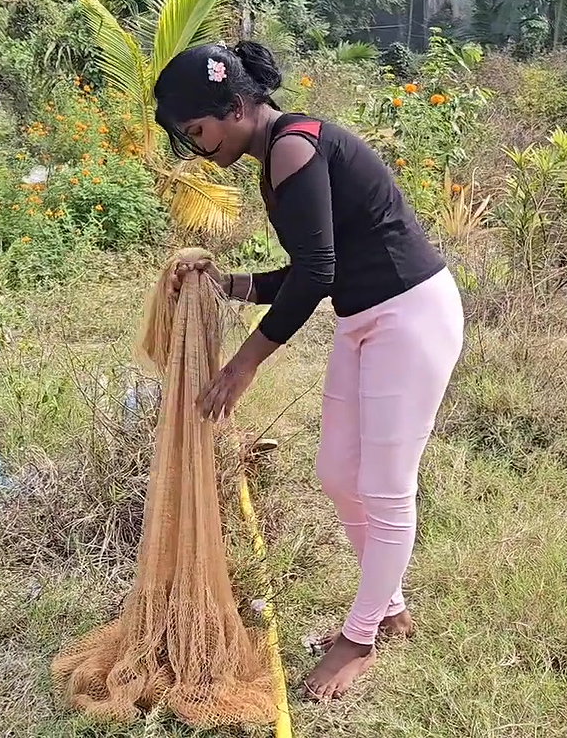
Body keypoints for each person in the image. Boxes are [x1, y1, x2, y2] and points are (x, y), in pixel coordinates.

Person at [152, 41, 465, 699]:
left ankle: (359, 639)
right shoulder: (278, 155)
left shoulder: (294, 145)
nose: (199, 147)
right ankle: (390, 608)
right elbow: (311, 268)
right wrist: (227, 286)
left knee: (384, 486)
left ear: (235, 108)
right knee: (336, 472)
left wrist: (245, 364)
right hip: (365, 320)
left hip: (409, 315)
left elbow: (317, 273)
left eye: (197, 130)